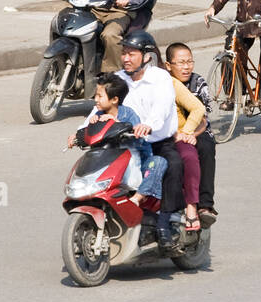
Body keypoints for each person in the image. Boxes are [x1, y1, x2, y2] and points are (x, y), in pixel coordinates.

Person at [116, 30, 185, 250]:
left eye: (131, 54)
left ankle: (165, 222)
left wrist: (149, 124)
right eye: (124, 53)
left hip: (157, 142)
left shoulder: (160, 78)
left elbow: (163, 107)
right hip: (128, 143)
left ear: (146, 57)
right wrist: (82, 130)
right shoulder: (118, 79)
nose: (126, 58)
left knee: (173, 164)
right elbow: (101, 107)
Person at [79, 73, 166, 209]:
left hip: (134, 162)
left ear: (114, 99)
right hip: (110, 164)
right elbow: (89, 136)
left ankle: (138, 197)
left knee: (159, 162)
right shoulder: (98, 115)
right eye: (95, 95)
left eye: (100, 96)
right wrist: (84, 131)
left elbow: (137, 133)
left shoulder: (128, 114)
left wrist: (117, 123)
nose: (96, 99)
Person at [166, 42, 217, 226]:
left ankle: (204, 205)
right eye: (180, 63)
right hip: (171, 132)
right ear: (168, 65)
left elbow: (203, 118)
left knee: (205, 147)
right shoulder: (162, 84)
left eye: (189, 62)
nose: (186, 67)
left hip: (197, 130)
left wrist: (190, 134)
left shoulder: (198, 83)